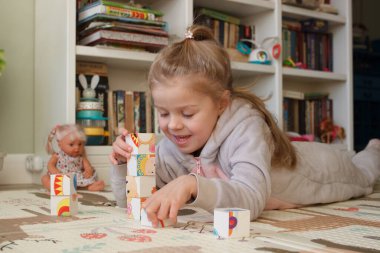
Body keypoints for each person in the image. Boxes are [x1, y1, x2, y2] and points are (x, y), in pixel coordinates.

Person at [109, 25, 380, 227]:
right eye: (164, 113)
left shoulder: (245, 127)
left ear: (222, 104)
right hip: (285, 156)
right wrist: (126, 165)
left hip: (317, 170)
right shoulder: (169, 149)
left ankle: (374, 148)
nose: (174, 125)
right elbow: (132, 202)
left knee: (362, 170)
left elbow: (251, 198)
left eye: (188, 113)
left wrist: (192, 185)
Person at [41, 124, 105, 191]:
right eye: (71, 145)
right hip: (62, 177)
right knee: (45, 178)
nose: (77, 148)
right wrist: (57, 173)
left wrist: (88, 170)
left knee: (88, 179)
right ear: (60, 144)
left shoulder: (80, 156)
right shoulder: (57, 155)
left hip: (77, 178)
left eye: (80, 144)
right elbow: (50, 165)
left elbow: (87, 166)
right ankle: (55, 188)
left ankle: (90, 187)